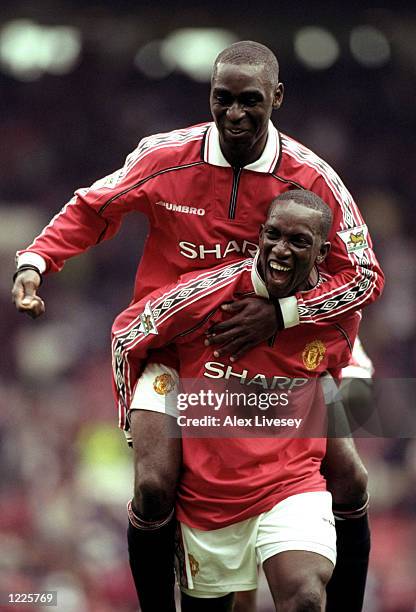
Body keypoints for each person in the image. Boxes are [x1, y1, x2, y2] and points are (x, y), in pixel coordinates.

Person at [12, 41, 383, 611]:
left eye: (250, 102)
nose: (235, 114)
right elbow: (94, 207)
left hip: (282, 350)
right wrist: (37, 262)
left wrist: (282, 313)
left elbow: (363, 277)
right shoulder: (167, 156)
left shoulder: (312, 178)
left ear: (277, 99)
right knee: (156, 486)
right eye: (223, 99)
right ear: (210, 97)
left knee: (351, 478)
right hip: (170, 345)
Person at [111, 190, 361, 611]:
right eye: (273, 236)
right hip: (210, 493)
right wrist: (131, 422)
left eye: (299, 241)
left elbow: (329, 369)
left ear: (323, 252)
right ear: (259, 236)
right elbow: (126, 335)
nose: (281, 249)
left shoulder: (340, 312)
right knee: (153, 488)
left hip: (291, 482)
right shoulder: (204, 295)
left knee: (305, 595)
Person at [233, 335, 375, 612]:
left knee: (352, 476)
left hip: (307, 380)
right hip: (229, 393)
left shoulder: (322, 305)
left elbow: (357, 390)